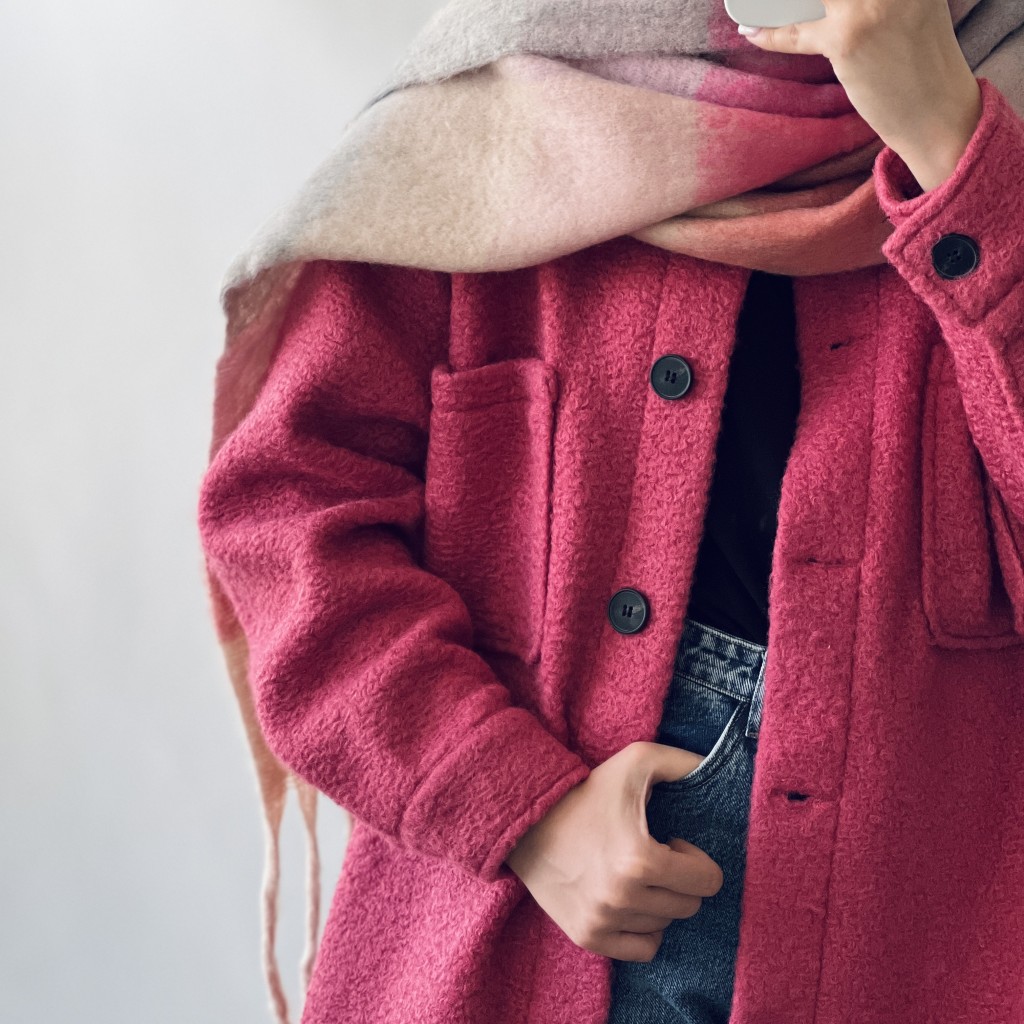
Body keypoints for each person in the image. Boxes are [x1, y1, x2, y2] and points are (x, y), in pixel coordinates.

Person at [196, 2, 1024, 1023]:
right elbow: (289, 513)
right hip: (518, 921)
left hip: (927, 936)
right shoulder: (495, 105)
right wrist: (515, 807)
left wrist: (952, 142)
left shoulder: (1001, 116)